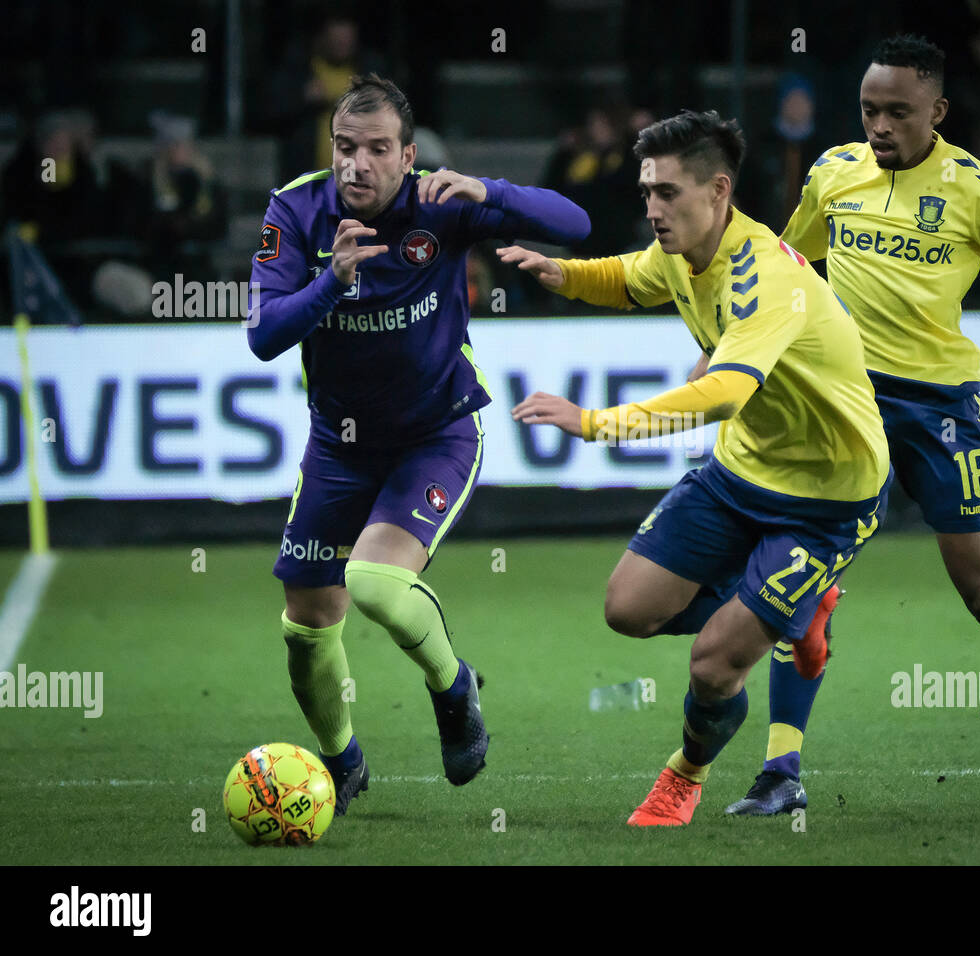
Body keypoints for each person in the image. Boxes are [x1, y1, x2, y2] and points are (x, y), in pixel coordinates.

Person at [732, 33, 980, 815]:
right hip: (843, 404)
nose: (879, 125)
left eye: (898, 112)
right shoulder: (834, 173)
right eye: (869, 109)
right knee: (800, 583)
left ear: (937, 111)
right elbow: (784, 266)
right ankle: (781, 772)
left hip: (938, 409)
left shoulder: (976, 190)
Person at [499, 109, 892, 826]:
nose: (652, 208)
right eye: (646, 191)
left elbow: (724, 392)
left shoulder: (767, 277)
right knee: (628, 609)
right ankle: (792, 612)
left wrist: (593, 423)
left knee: (714, 665)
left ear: (718, 190)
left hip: (828, 499)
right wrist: (559, 273)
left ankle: (685, 775)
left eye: (667, 193)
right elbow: (628, 280)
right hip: (741, 474)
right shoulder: (682, 253)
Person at [246, 73, 590, 813]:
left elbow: (576, 224)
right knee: (305, 630)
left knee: (372, 582)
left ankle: (452, 685)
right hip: (338, 448)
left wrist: (491, 191)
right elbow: (266, 336)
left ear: (407, 157)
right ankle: (342, 762)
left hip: (436, 434)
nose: (356, 165)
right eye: (344, 148)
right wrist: (330, 283)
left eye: (376, 150)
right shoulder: (295, 209)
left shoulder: (441, 203)